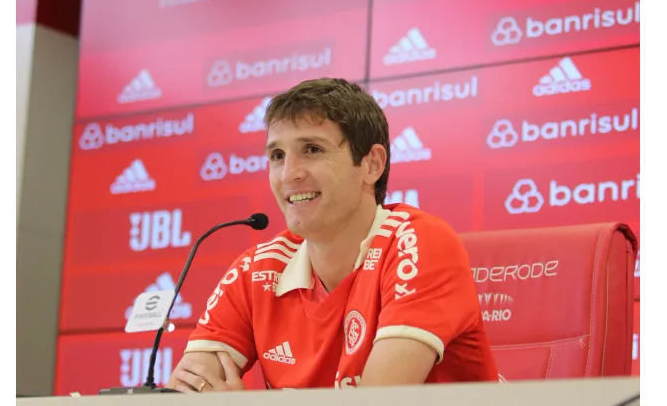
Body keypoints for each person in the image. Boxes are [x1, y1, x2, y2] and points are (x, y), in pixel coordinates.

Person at [165, 78, 498, 392]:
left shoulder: (420, 242)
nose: (289, 174)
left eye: (312, 149)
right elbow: (193, 384)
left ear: (372, 165)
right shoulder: (257, 269)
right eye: (277, 155)